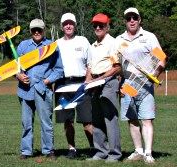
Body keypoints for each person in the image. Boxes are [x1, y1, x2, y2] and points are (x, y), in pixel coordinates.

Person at [116, 7, 166, 163]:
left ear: (139, 20)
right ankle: (138, 150)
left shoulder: (149, 37)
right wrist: (119, 84)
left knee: (146, 119)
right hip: (127, 83)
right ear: (125, 21)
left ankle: (148, 153)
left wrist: (154, 76)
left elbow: (161, 59)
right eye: (129, 18)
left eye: (134, 18)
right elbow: (115, 64)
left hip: (144, 82)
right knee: (132, 119)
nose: (132, 20)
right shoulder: (119, 39)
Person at [16, 18, 64, 160]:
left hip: (43, 89)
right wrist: (18, 75)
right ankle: (26, 151)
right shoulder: (23, 46)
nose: (37, 32)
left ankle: (49, 151)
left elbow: (59, 70)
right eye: (34, 30)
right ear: (30, 31)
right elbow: (15, 67)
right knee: (26, 122)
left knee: (46, 122)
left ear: (44, 30)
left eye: (39, 29)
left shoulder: (52, 46)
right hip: (25, 91)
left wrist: (47, 80)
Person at [55, 13, 93, 159]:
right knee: (67, 120)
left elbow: (90, 63)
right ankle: (72, 149)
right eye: (65, 23)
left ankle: (94, 148)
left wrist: (87, 81)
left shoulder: (83, 41)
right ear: (62, 26)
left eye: (71, 23)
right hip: (62, 86)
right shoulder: (56, 43)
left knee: (87, 120)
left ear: (75, 25)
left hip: (81, 84)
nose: (68, 26)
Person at [85, 13, 122, 162]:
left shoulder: (112, 43)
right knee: (96, 119)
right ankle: (101, 152)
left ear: (107, 27)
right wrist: (87, 81)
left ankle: (115, 154)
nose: (98, 27)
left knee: (110, 119)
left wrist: (100, 79)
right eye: (95, 25)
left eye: (101, 25)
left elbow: (117, 67)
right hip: (95, 83)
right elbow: (90, 67)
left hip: (108, 82)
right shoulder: (93, 46)